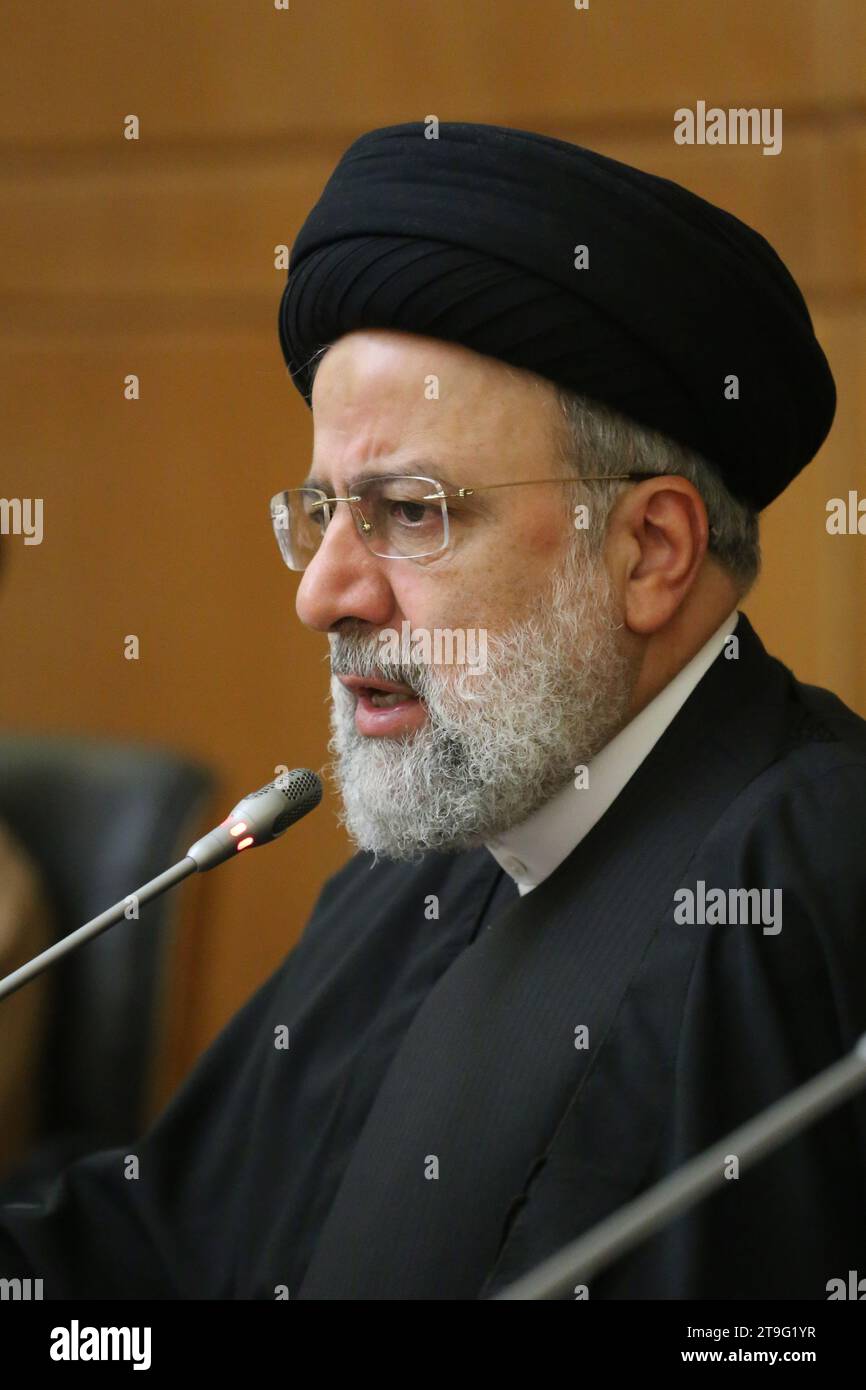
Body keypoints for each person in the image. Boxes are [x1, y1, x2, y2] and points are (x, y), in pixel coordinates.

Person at [1, 121, 864, 1300]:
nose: (320, 594)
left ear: (649, 548)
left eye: (409, 513)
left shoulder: (801, 885)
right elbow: (151, 1255)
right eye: (319, 514)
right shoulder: (434, 846)